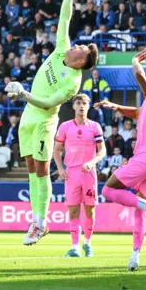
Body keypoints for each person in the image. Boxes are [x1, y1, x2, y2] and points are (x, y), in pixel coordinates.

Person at [5, 0, 99, 245]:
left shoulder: (73, 81)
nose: (75, 46)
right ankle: (35, 220)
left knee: (43, 170)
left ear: (81, 60)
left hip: (44, 120)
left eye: (80, 48)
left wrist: (23, 93)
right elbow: (64, 17)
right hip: (28, 117)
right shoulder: (60, 50)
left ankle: (42, 222)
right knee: (31, 169)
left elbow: (48, 103)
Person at [94, 49, 146, 272]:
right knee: (140, 211)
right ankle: (135, 256)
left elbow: (139, 76)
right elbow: (138, 113)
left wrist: (135, 61)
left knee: (108, 191)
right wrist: (116, 107)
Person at [53, 93, 106, 258]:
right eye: (78, 103)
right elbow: (57, 149)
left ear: (88, 106)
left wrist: (93, 162)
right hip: (72, 173)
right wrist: (60, 168)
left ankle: (88, 244)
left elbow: (102, 150)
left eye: (84, 103)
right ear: (74, 106)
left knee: (90, 211)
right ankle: (75, 247)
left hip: (88, 173)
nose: (81, 106)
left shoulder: (95, 126)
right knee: (73, 211)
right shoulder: (65, 127)